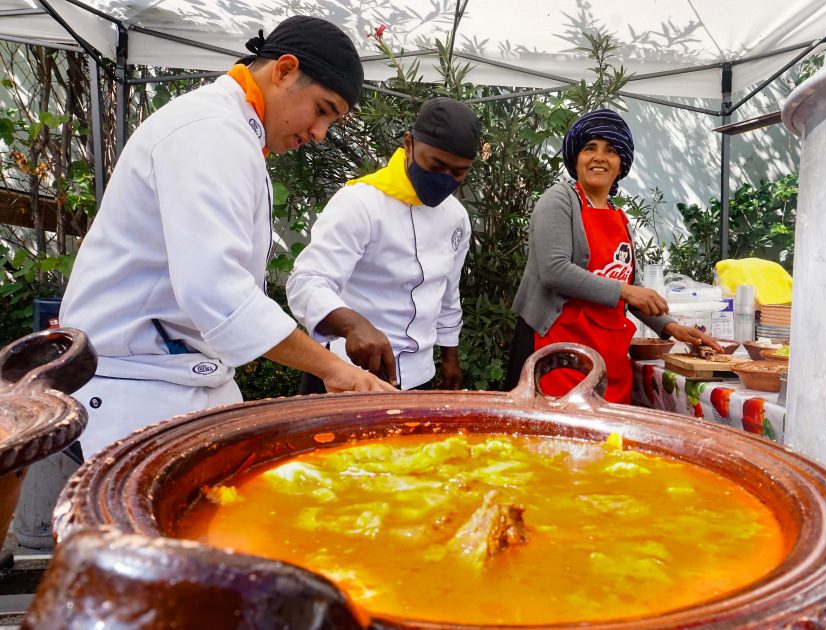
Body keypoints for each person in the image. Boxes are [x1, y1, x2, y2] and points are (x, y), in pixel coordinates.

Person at [60, 16, 395, 457]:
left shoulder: (231, 132)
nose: (318, 134)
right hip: (136, 389)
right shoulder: (209, 130)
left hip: (184, 379)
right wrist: (333, 368)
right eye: (322, 110)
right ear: (284, 70)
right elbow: (215, 290)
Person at [506, 108, 721, 402]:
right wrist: (627, 291)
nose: (599, 157)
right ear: (575, 159)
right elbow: (555, 270)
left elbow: (630, 292)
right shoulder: (559, 200)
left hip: (607, 355)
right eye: (589, 148)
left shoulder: (620, 218)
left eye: (610, 150)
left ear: (621, 164)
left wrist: (672, 328)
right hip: (557, 351)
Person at [287, 97, 480, 392]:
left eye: (458, 172)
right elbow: (307, 282)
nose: (446, 179)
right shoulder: (360, 203)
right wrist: (352, 324)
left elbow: (447, 292)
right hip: (350, 375)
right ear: (408, 144)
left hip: (419, 376)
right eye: (436, 165)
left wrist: (449, 356)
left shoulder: (456, 217)